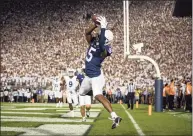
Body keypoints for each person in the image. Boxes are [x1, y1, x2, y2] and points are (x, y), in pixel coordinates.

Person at [79, 15, 122, 129]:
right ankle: (92, 92)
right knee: (81, 93)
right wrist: (95, 25)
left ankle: (114, 116)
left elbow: (102, 45)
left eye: (101, 33)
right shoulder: (95, 41)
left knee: (98, 95)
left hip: (96, 76)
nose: (98, 34)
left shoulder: (107, 50)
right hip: (88, 76)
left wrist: (103, 28)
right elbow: (87, 33)